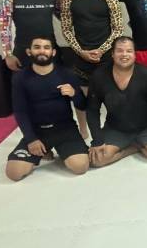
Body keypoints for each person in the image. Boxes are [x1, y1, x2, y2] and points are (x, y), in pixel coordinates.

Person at [5, 35, 89, 181]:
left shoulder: (67, 74)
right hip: (38, 131)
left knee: (80, 167)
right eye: (37, 47)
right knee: (13, 173)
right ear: (29, 52)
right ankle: (46, 150)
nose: (42, 51)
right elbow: (20, 111)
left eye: (46, 47)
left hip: (65, 129)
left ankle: (60, 150)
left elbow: (82, 104)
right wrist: (31, 139)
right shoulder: (20, 78)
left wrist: (74, 94)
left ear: (53, 52)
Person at [86, 36, 147, 167]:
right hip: (116, 128)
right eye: (120, 51)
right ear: (112, 54)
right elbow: (92, 110)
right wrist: (97, 140)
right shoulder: (99, 76)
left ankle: (138, 144)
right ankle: (133, 148)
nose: (124, 54)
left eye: (129, 51)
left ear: (135, 54)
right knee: (96, 160)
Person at [61, 0, 123, 136]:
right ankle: (83, 129)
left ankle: (114, 128)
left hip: (106, 57)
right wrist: (81, 51)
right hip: (80, 56)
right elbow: (66, 29)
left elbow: (118, 28)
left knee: (111, 96)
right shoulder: (68, 0)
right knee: (81, 97)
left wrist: (102, 50)